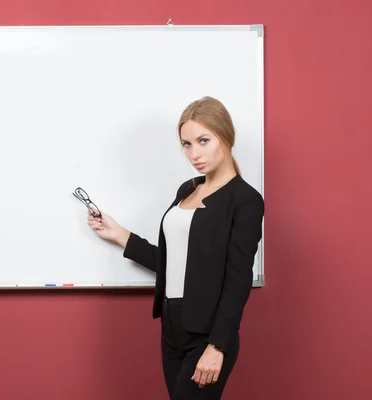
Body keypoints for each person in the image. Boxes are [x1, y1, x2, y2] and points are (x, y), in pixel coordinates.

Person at [86, 96, 264, 399]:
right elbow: (173, 261)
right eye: (187, 144)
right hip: (172, 327)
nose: (194, 153)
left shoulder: (245, 201)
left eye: (203, 140)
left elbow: (238, 280)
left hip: (207, 334)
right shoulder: (188, 189)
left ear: (226, 137)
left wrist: (217, 345)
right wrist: (119, 234)